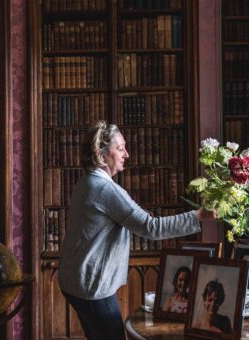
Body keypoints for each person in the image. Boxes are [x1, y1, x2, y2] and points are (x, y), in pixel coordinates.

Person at [58, 121, 216, 340]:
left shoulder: (87, 182)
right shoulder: (105, 189)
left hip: (75, 281)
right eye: (120, 148)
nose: (127, 154)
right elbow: (152, 228)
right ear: (101, 154)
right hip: (92, 287)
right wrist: (199, 216)